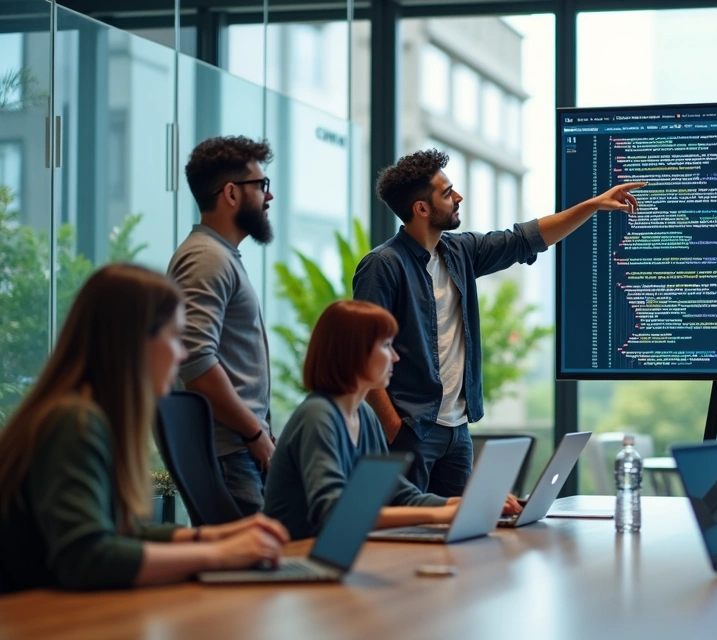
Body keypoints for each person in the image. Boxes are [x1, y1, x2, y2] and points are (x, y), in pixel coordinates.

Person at [354, 148, 644, 495]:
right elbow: (362, 352)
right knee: (404, 535)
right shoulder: (383, 265)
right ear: (421, 209)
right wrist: (392, 427)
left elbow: (527, 238)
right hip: (410, 430)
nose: (458, 197)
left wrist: (593, 205)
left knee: (458, 536)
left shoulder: (460, 252)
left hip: (456, 431)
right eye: (447, 193)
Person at [0, 265, 288, 593]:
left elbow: (121, 532)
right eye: (176, 338)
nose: (182, 355)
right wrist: (218, 554)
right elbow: (87, 556)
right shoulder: (74, 423)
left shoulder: (87, 414)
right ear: (136, 341)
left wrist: (208, 536)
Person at [263, 300, 522, 540]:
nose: (395, 357)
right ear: (353, 352)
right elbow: (334, 514)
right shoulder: (318, 416)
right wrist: (440, 514)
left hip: (337, 553)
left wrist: (472, 502)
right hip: (296, 559)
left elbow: (399, 494)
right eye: (386, 346)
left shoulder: (364, 415)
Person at [168, 136, 277, 516]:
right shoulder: (206, 259)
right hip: (232, 451)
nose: (269, 196)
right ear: (231, 193)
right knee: (250, 571)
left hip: (238, 448)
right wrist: (253, 432)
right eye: (261, 185)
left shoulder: (220, 255)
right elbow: (196, 362)